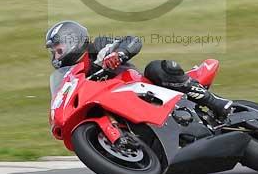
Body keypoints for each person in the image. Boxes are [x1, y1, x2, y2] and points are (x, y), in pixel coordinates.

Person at [45, 20, 231, 118]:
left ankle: (216, 102)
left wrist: (119, 54)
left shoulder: (98, 47)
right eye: (54, 53)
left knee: (156, 68)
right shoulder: (73, 77)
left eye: (58, 50)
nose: (56, 56)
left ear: (73, 42)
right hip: (116, 106)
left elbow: (133, 41)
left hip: (140, 88)